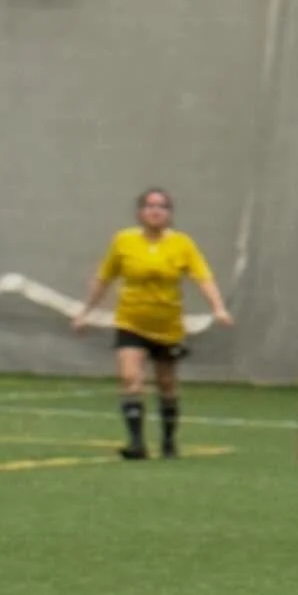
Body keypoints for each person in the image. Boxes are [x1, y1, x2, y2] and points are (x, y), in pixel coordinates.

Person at [72, 188, 234, 460]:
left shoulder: (182, 244)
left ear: (170, 214)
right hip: (130, 321)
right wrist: (85, 311)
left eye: (162, 206)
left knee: (167, 385)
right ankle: (136, 443)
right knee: (130, 378)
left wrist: (218, 308)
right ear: (140, 212)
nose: (155, 211)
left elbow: (203, 277)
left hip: (167, 326)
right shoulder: (123, 241)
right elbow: (104, 278)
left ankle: (169, 441)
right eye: (149, 206)